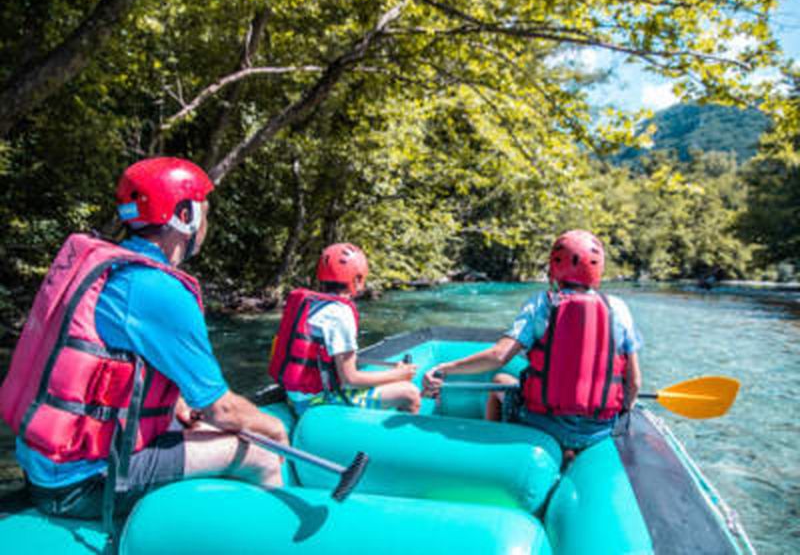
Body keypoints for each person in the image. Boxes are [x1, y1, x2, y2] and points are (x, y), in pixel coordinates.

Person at [0, 157, 287, 528]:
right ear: (184, 215)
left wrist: (177, 404)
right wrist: (274, 429)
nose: (206, 224)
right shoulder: (158, 289)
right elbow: (223, 410)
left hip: (44, 464)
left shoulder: (108, 268)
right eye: (204, 211)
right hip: (81, 482)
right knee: (261, 454)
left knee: (200, 427)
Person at [424, 230, 642, 460]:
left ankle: (493, 454)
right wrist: (620, 410)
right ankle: (572, 455)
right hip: (598, 430)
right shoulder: (618, 309)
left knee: (500, 382)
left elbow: (499, 356)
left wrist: (444, 368)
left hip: (541, 422)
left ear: (554, 266)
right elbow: (634, 382)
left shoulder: (541, 303)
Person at [269, 243, 421, 415]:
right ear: (357, 279)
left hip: (294, 396)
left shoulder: (311, 304)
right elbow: (350, 380)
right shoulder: (340, 313)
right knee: (410, 393)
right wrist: (399, 374)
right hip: (315, 402)